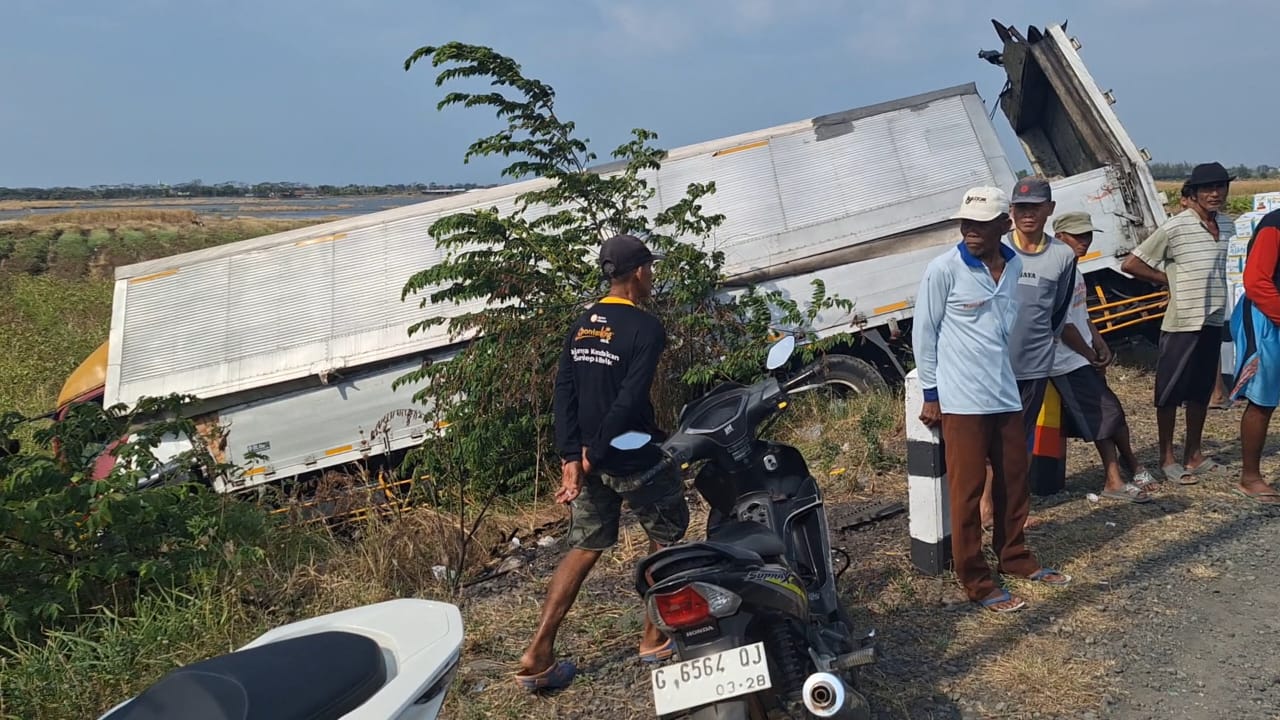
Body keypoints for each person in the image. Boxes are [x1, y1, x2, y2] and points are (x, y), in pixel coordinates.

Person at [516, 234, 691, 690]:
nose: (651, 275)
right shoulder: (645, 328)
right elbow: (629, 401)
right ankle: (653, 637)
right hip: (630, 453)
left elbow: (565, 393)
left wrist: (570, 455)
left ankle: (539, 650)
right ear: (638, 273)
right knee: (667, 535)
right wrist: (591, 454)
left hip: (591, 459)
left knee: (585, 545)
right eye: (649, 269)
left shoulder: (583, 323)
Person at [913, 185, 1072, 615]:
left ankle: (1015, 557)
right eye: (966, 224)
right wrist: (931, 394)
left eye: (981, 226)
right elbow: (924, 334)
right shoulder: (943, 270)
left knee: (1014, 478)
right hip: (961, 399)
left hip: (1005, 389)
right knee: (966, 492)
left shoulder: (1016, 263)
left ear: (1003, 225)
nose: (970, 233)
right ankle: (976, 579)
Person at [1121, 162, 1233, 484]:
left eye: (1220, 187)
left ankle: (1193, 455)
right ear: (1194, 194)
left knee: (1200, 392)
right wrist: (1169, 280)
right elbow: (1132, 263)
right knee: (1169, 392)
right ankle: (1167, 457)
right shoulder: (1176, 227)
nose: (1215, 193)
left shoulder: (1225, 226)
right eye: (1207, 188)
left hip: (1211, 318)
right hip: (1182, 320)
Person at [979, 176, 1077, 529]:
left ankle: (1013, 505)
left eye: (1035, 208)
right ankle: (987, 501)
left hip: (1034, 366)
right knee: (987, 439)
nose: (1028, 215)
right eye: (1021, 208)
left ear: (1049, 210)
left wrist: (1040, 344)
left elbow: (1058, 310)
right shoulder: (996, 248)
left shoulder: (1063, 256)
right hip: (992, 365)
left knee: (1019, 442)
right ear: (1011, 212)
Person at [1048, 211, 1158, 502]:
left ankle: (1127, 467)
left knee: (1109, 413)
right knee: (1105, 414)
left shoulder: (1075, 270)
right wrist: (1089, 354)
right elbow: (1061, 324)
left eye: (1088, 235)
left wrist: (1100, 343)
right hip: (1066, 360)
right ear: (1060, 238)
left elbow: (1081, 314)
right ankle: (1114, 479)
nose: (1084, 242)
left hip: (1082, 354)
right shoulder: (1057, 272)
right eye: (1078, 236)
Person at [1227, 208, 1280, 504]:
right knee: (1263, 399)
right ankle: (1250, 477)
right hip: (1265, 318)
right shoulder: (1275, 225)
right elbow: (1257, 281)